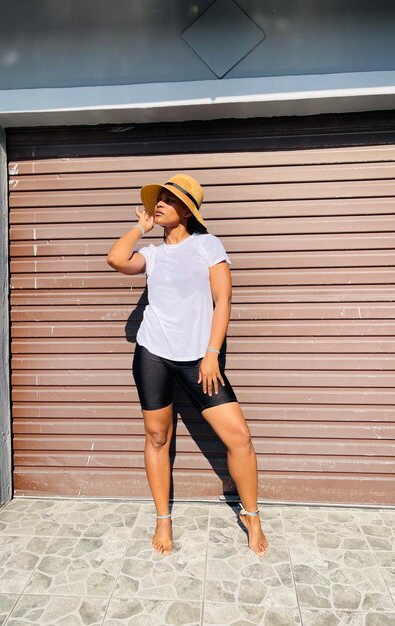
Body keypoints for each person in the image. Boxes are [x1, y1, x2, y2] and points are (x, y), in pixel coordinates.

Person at [107, 173, 268, 557]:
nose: (158, 203)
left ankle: (252, 515)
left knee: (240, 438)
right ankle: (163, 519)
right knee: (157, 437)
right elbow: (115, 259)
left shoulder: (207, 245)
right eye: (157, 199)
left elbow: (223, 301)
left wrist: (212, 354)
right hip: (153, 354)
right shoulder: (153, 255)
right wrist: (139, 227)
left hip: (200, 358)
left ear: (186, 210)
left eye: (167, 199)